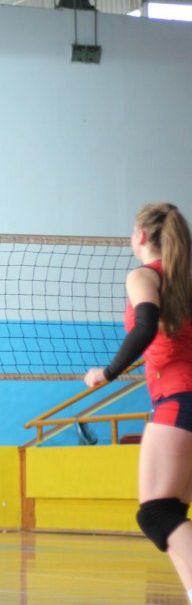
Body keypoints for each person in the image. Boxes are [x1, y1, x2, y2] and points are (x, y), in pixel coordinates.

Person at [83, 203, 192, 603]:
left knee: (155, 514)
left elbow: (145, 326)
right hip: (182, 399)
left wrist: (107, 372)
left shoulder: (144, 275)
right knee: (172, 514)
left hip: (178, 398)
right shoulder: (185, 281)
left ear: (141, 236)